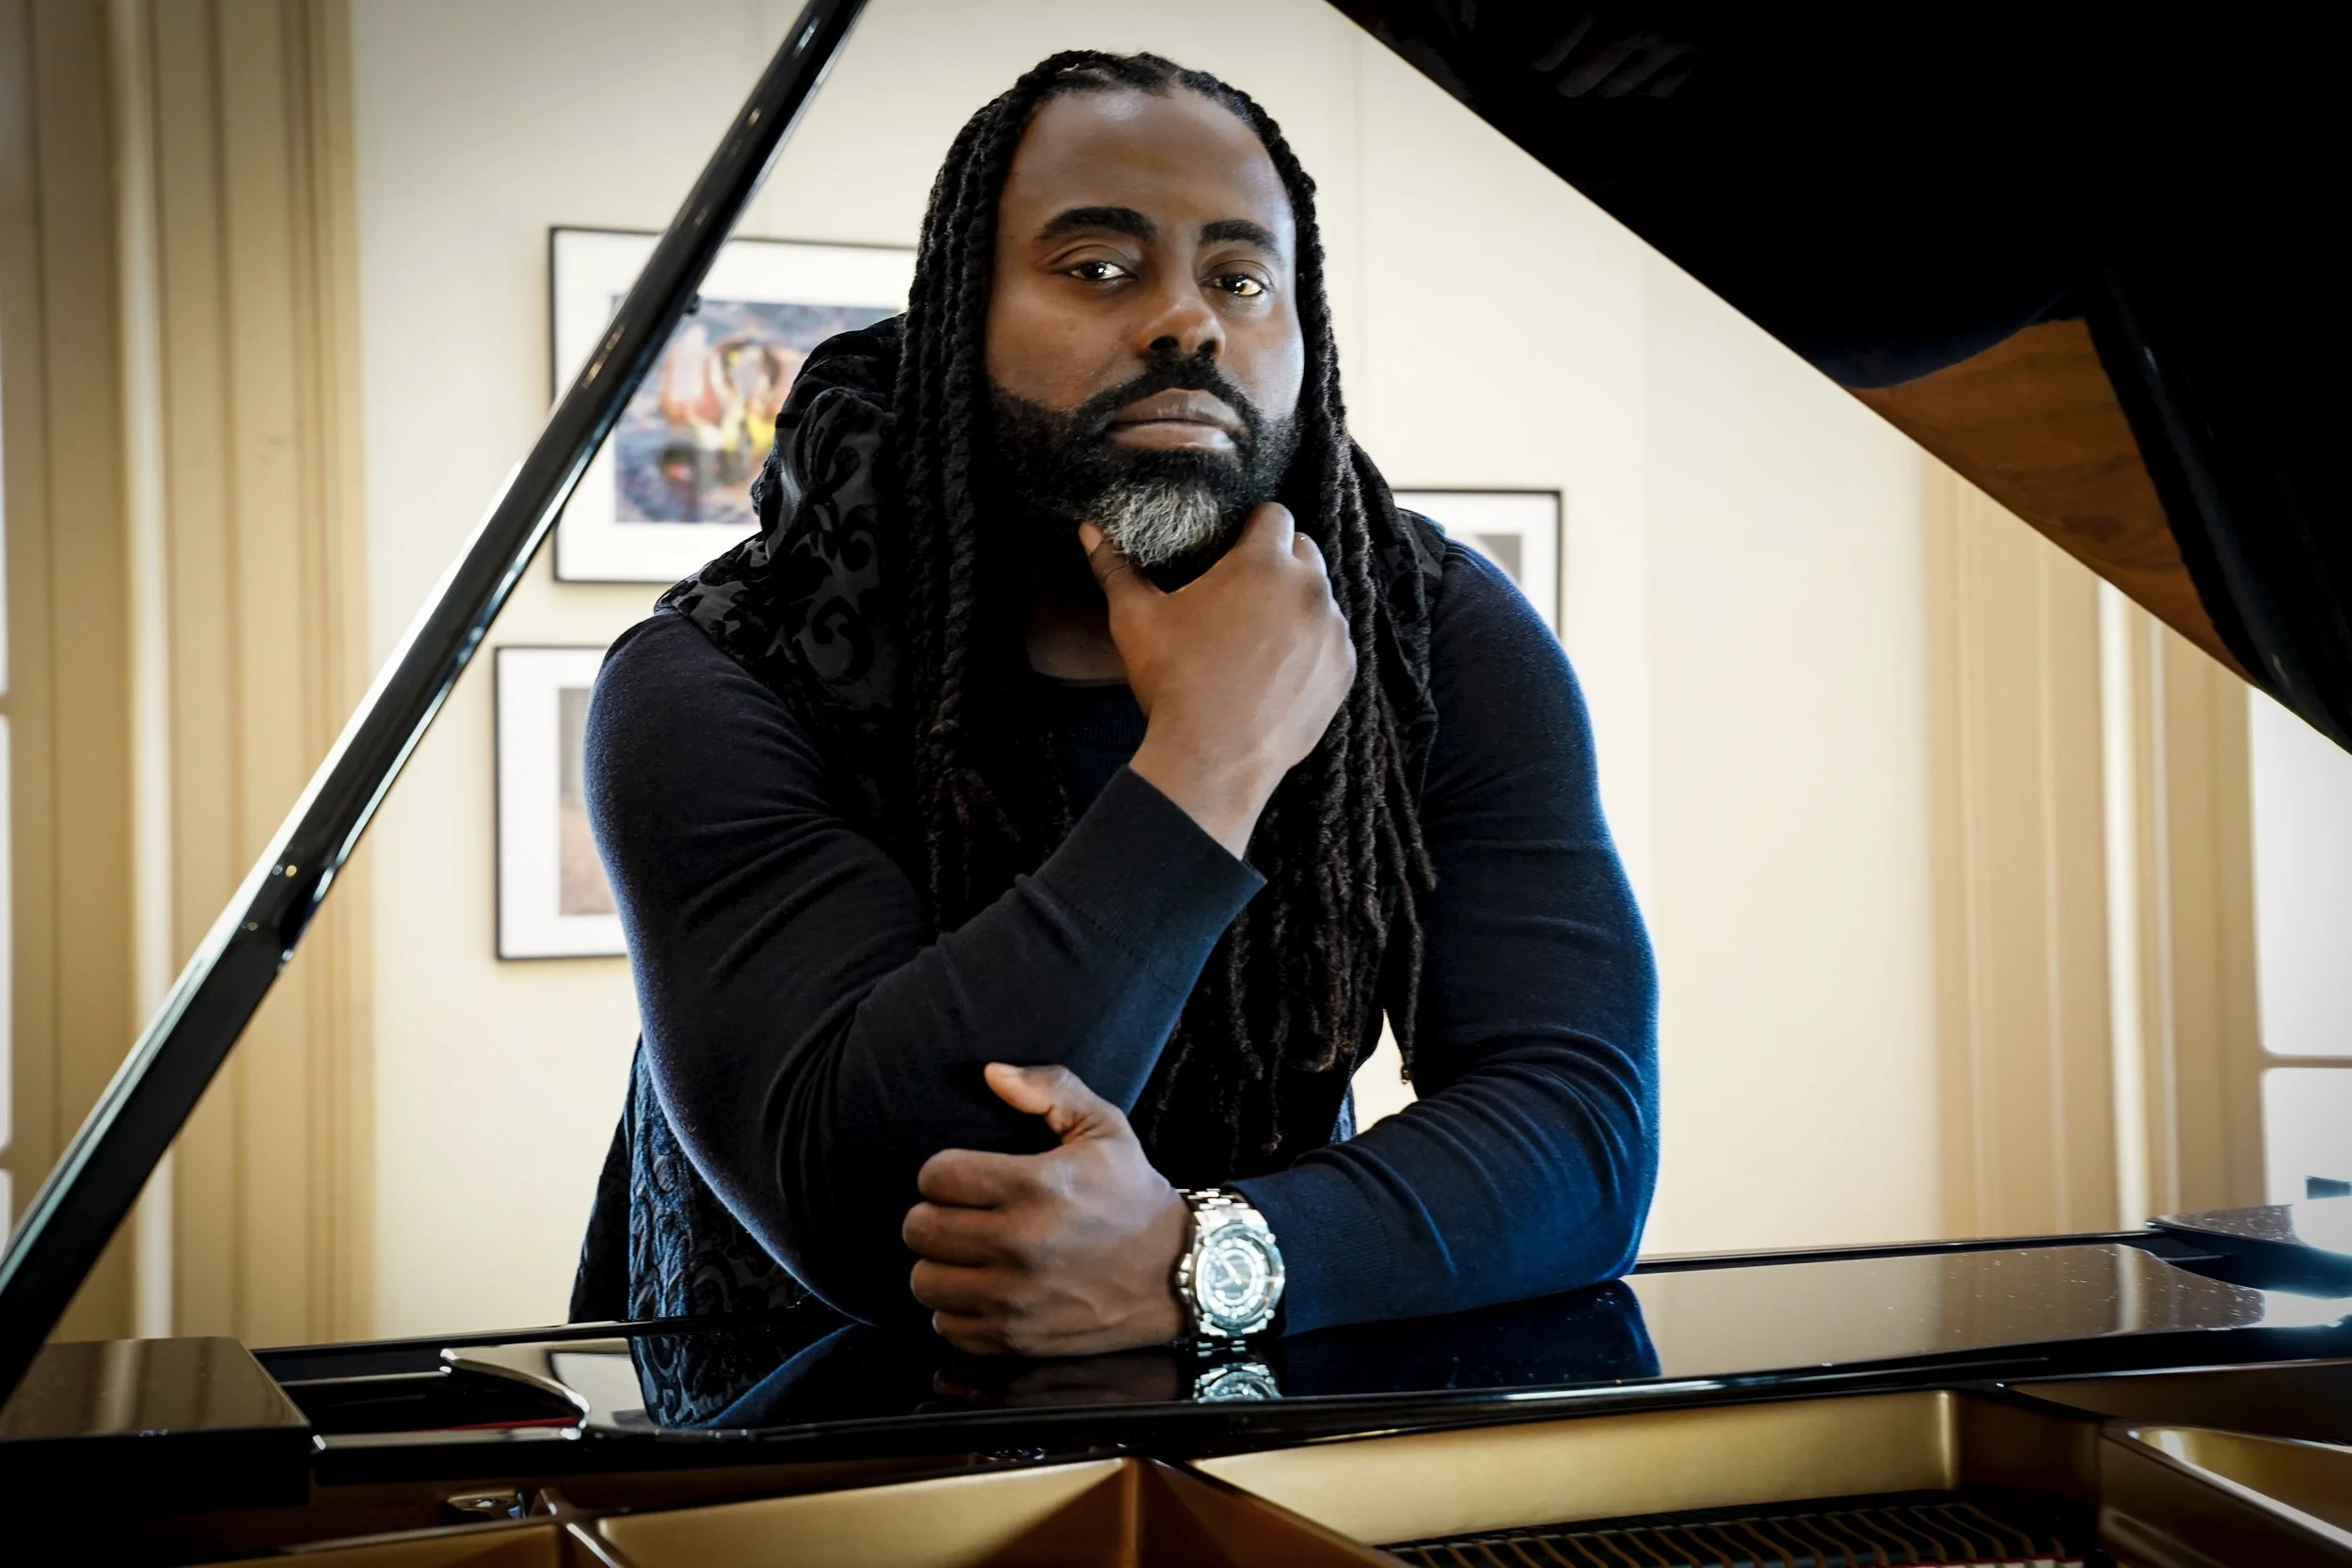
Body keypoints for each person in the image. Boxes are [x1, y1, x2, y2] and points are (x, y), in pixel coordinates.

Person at [571, 50, 1658, 1358]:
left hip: (1254, 1421)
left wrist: (1202, 1257)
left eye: (1241, 280)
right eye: (1099, 267)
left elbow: (1580, 1128)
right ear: (958, 316)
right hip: (784, 1454)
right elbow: (877, 1216)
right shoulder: (724, 671)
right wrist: (1213, 756)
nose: (1186, 323)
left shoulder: (1433, 635)